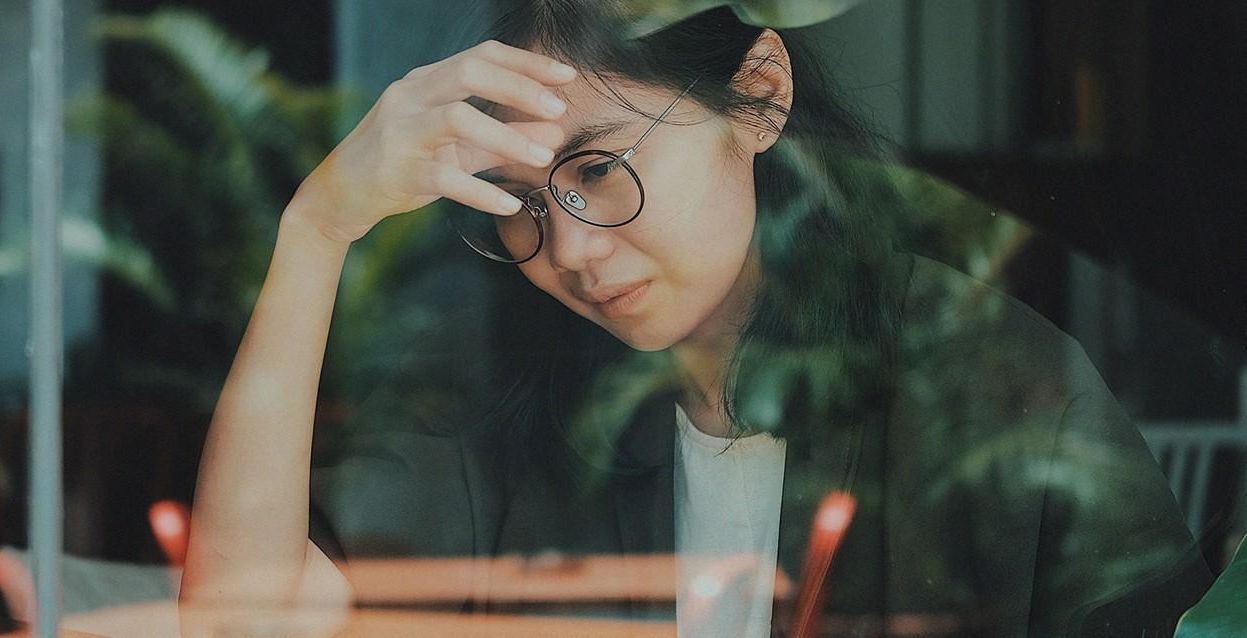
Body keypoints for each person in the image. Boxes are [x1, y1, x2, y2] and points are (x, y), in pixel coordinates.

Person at [180, 2, 1214, 636]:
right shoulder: (518, 401)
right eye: (525, 205)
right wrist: (317, 226)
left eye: (599, 168)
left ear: (759, 96)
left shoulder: (999, 387)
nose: (572, 247)